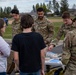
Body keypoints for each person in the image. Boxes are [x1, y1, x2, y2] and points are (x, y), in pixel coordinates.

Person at [7, 9, 22, 75]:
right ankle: (10, 71)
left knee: (19, 58)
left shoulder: (22, 22)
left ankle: (18, 71)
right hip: (14, 43)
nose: (14, 17)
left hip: (21, 43)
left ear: (18, 14)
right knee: (12, 58)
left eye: (16, 15)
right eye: (13, 16)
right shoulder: (13, 23)